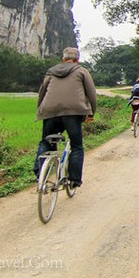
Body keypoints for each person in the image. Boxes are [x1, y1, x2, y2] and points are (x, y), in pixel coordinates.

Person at [34, 47, 97, 188]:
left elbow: (42, 93)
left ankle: (39, 173)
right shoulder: (81, 71)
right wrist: (91, 112)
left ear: (63, 59)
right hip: (73, 113)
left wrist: (41, 111)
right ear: (77, 60)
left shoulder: (51, 72)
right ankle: (74, 180)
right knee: (76, 145)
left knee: (45, 142)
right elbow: (91, 94)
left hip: (50, 112)